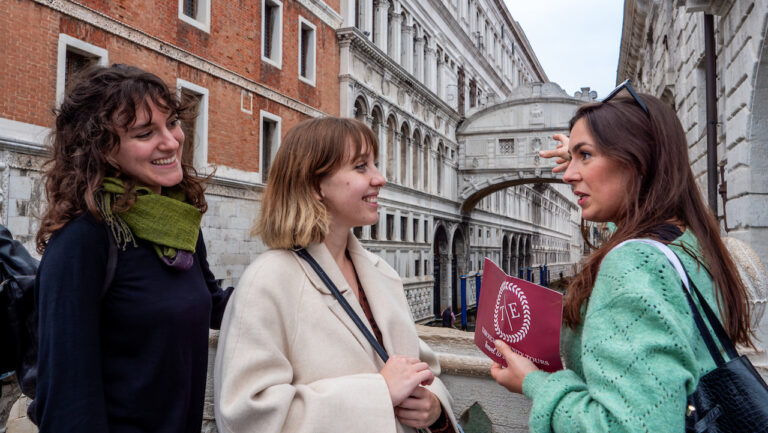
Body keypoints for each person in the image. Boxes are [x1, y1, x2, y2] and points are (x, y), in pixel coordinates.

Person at [489, 85, 753, 432]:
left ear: (636, 160)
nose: (568, 175)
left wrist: (535, 383)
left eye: (586, 156)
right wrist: (584, 154)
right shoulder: (687, 239)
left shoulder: (633, 264)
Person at [214, 117, 459, 433]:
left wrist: (434, 409)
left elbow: (424, 370)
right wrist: (378, 394)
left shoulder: (382, 273)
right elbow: (246, 415)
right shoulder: (268, 282)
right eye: (361, 167)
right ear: (316, 185)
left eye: (375, 165)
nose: (380, 179)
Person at [34, 64, 232, 432]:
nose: (172, 142)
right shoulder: (83, 241)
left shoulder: (177, 223)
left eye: (172, 123)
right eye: (145, 133)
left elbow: (211, 303)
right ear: (103, 149)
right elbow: (66, 401)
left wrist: (293, 286)